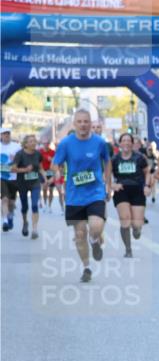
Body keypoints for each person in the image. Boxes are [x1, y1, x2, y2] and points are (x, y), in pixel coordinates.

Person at [53, 109, 112, 283]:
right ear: (74, 124)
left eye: (86, 121)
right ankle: (87, 267)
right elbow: (55, 163)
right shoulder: (66, 143)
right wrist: (56, 172)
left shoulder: (100, 142)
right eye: (79, 121)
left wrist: (107, 182)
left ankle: (95, 239)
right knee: (79, 234)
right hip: (74, 195)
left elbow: (107, 161)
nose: (83, 125)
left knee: (95, 226)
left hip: (95, 192)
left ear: (90, 123)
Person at [110, 133, 151, 257]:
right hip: (121, 191)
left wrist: (147, 186)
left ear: (132, 144)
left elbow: (147, 172)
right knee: (125, 220)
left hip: (137, 191)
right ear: (120, 143)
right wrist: (112, 185)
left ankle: (137, 229)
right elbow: (106, 175)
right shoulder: (115, 159)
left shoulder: (140, 158)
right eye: (124, 140)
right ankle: (128, 249)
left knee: (137, 225)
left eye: (129, 141)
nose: (126, 143)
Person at [10, 134, 43, 238]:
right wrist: (25, 170)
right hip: (22, 183)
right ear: (26, 144)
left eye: (35, 141)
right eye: (31, 141)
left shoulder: (38, 154)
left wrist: (46, 179)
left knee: (34, 205)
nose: (34, 143)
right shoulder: (19, 154)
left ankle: (34, 230)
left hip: (35, 182)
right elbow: (13, 169)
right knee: (25, 207)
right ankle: (25, 222)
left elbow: (41, 168)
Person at [1, 127, 20, 231]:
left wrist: (15, 160)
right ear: (1, 136)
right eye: (4, 134)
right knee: (4, 199)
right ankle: (5, 221)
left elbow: (22, 159)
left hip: (13, 177)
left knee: (12, 202)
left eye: (8, 133)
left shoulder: (16, 147)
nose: (6, 135)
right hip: (1, 177)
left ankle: (10, 216)